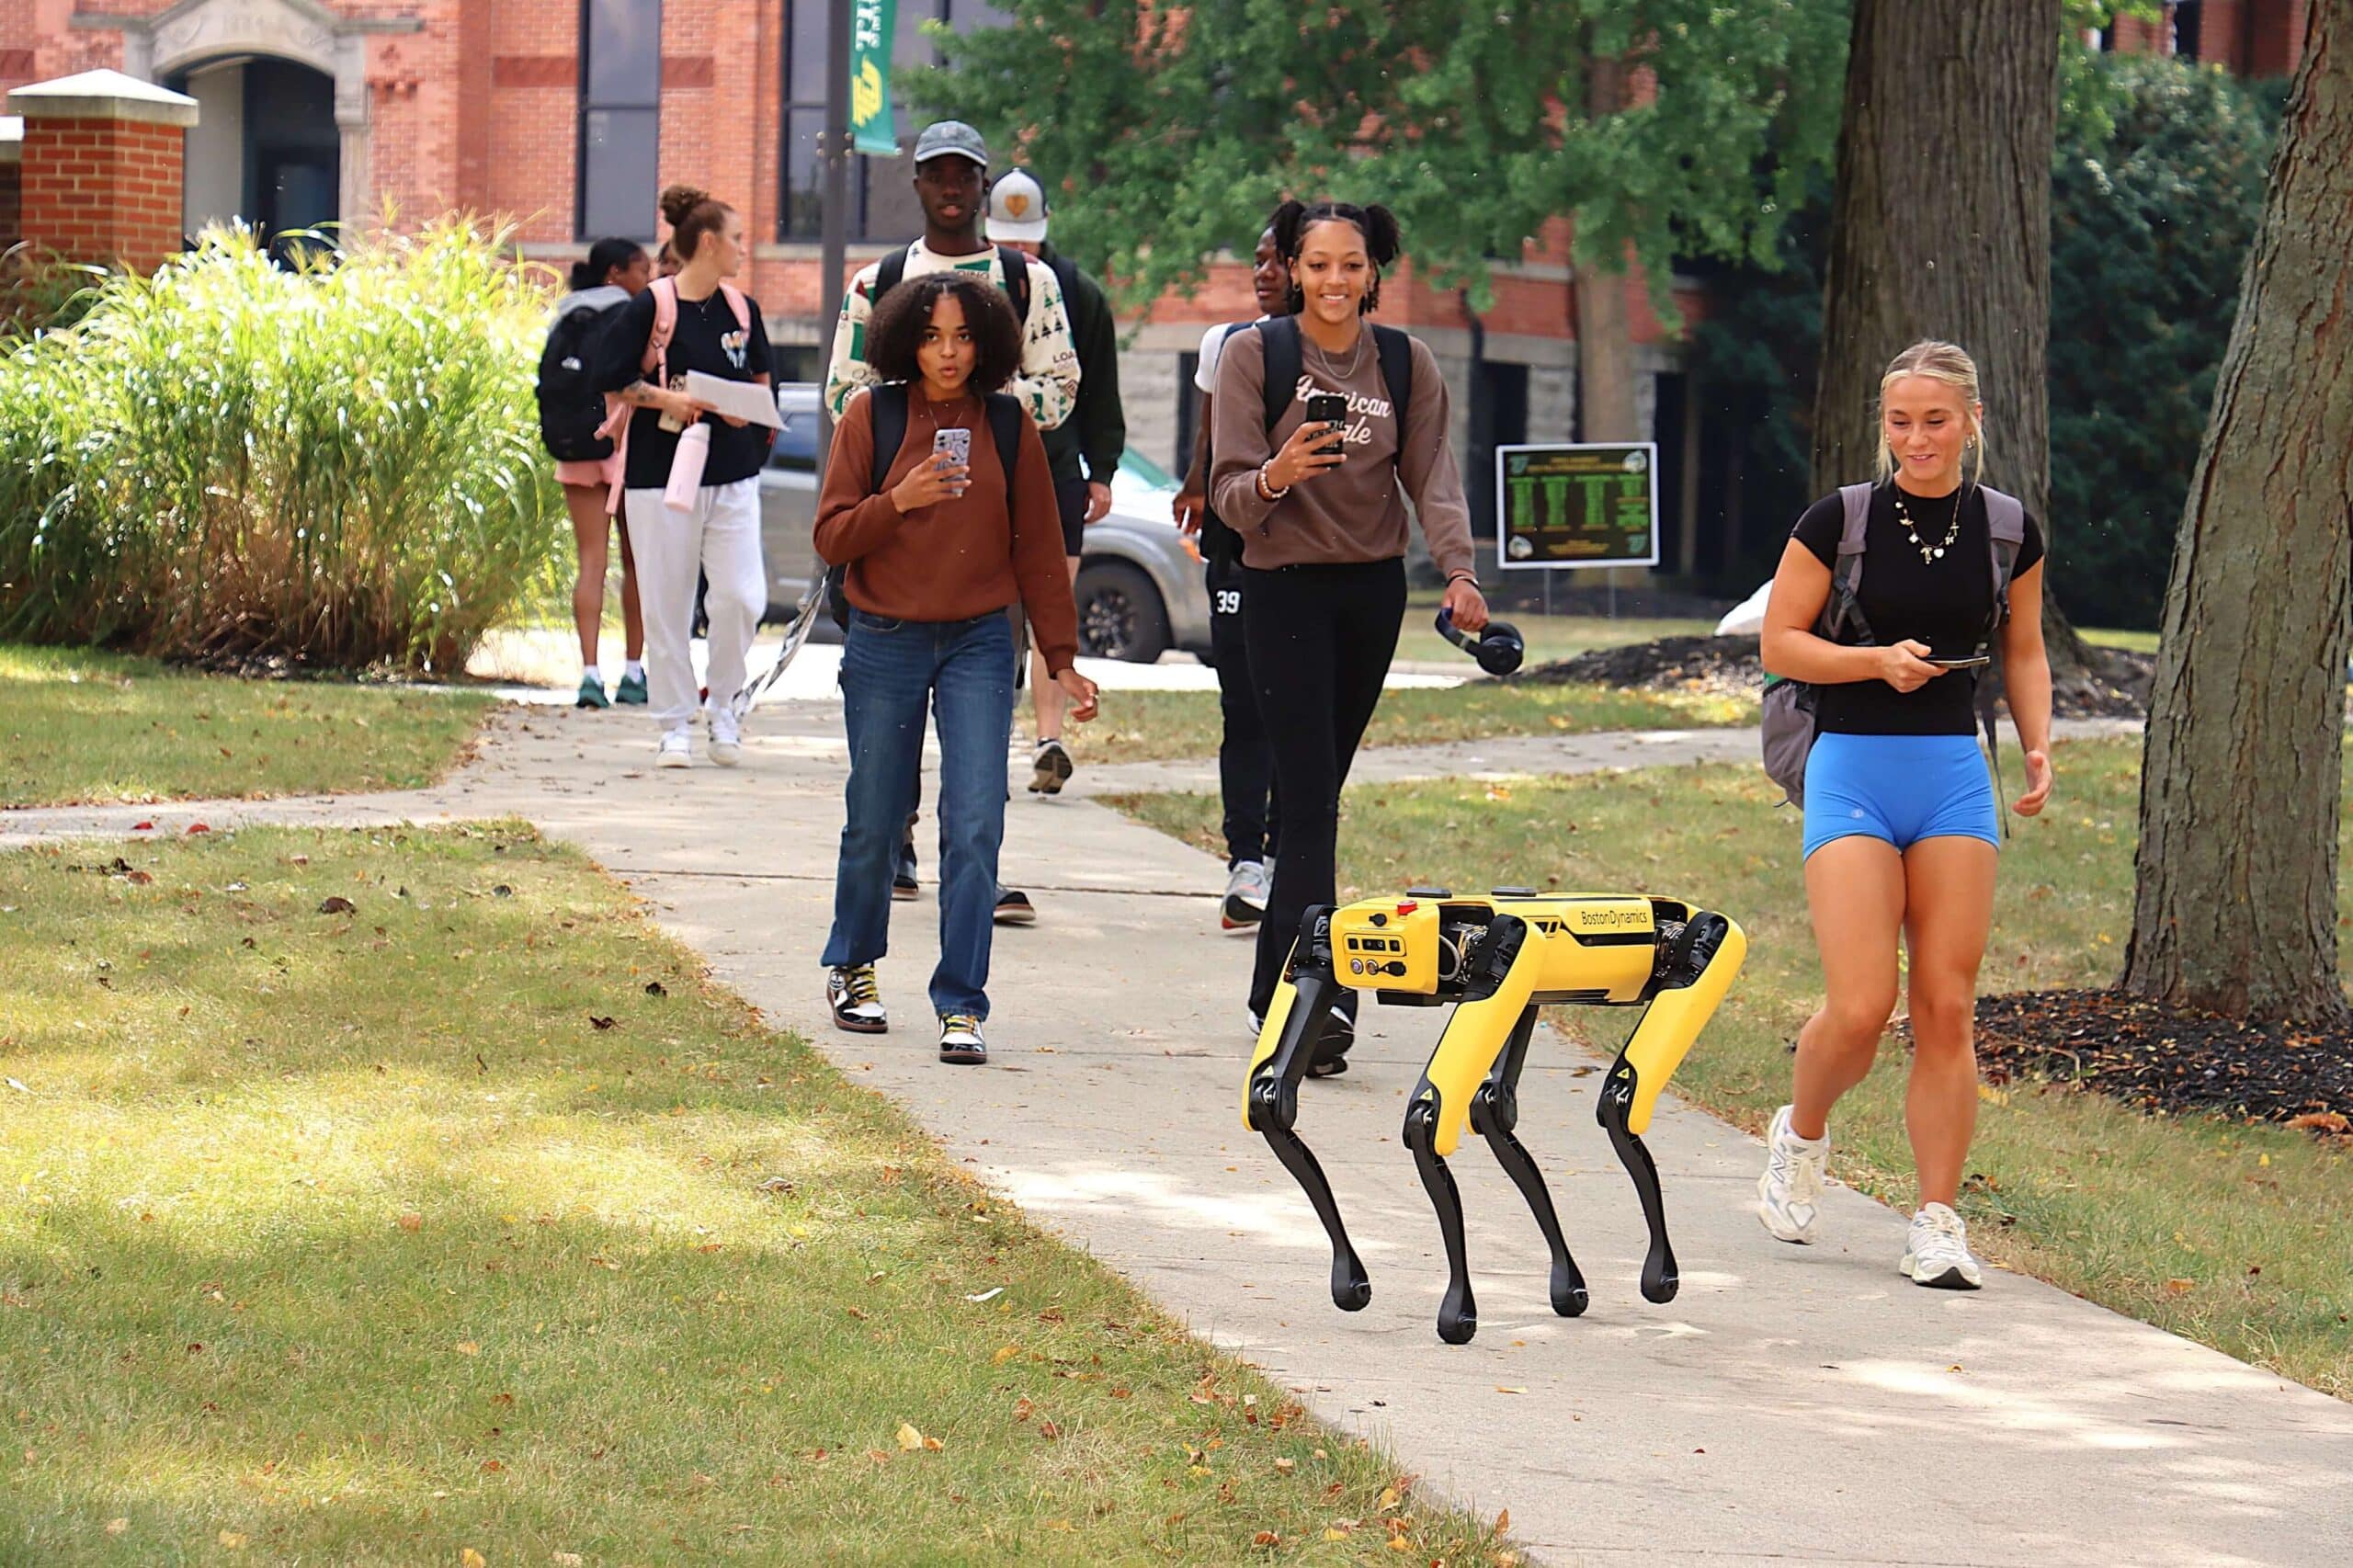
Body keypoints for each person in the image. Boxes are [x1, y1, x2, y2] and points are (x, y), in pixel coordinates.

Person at [1754, 338, 2052, 1291]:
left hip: (1952, 773)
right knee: (1859, 1004)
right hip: (1850, 765)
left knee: (1947, 1005)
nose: (1916, 439)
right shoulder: (1837, 518)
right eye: (1899, 421)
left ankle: (1936, 1220)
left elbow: (2025, 649)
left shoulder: (2006, 527)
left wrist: (2039, 743)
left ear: (1970, 421)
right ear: (1882, 425)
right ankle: (1800, 1135)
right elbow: (1782, 640)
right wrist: (1873, 661)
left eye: (1934, 420)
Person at [1209, 199, 1487, 1069]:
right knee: (1312, 803)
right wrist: (1278, 473)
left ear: (1375, 273)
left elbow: (1433, 476)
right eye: (1318, 263)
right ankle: (1312, 1008)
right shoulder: (1254, 354)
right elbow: (1227, 494)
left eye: (1351, 265)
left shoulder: (1405, 362)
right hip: (1280, 590)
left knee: (1309, 801)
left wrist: (1460, 570)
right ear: (1292, 267)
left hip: (1369, 597)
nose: (1335, 280)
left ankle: (1279, 995)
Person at [815, 274, 1098, 1064]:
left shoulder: (1009, 425)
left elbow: (1040, 551)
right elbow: (833, 537)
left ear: (991, 345)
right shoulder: (874, 415)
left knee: (975, 820)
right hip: (886, 635)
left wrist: (1062, 660)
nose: (949, 353)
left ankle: (961, 1002)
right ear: (907, 339)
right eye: (934, 336)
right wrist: (898, 499)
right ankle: (854, 966)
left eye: (965, 337)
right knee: (876, 812)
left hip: (979, 640)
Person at [824, 120, 1081, 924]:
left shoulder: (1026, 279)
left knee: (978, 737)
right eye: (935, 173)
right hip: (894, 533)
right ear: (918, 183)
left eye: (963, 175)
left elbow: (1061, 384)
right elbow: (841, 393)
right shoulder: (878, 280)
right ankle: (894, 843)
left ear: (980, 185)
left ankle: (976, 873)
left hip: (989, 526)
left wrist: (984, 413)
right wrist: (911, 431)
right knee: (883, 739)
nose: (950, 188)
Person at [592, 185, 773, 768]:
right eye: (738, 240)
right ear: (709, 243)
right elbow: (612, 378)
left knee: (743, 597)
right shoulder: (652, 305)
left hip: (734, 472)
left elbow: (762, 381)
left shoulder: (743, 311)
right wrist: (665, 401)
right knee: (667, 601)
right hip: (659, 476)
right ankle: (674, 724)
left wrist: (748, 406)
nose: (744, 251)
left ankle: (725, 706)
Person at [984, 167, 1126, 796]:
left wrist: (1103, 471)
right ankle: (987, 738)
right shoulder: (966, 283)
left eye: (1029, 241)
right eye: (1008, 240)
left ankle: (1049, 739)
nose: (1020, 253)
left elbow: (1100, 389)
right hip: (984, 473)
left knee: (1051, 605)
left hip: (1056, 470)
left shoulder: (1077, 292)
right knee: (994, 612)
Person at [1175, 221, 1290, 930]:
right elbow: (1210, 431)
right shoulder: (1226, 342)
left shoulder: (1339, 356)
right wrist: (1193, 490)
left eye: (1279, 260)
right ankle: (1246, 859)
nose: (1264, 272)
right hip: (1236, 542)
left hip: (1310, 550)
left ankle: (1288, 853)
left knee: (1294, 709)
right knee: (1243, 706)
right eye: (1259, 261)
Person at [547, 238, 654, 709]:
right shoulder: (633, 315)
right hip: (627, 447)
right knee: (638, 564)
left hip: (576, 448)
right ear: (616, 273)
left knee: (591, 562)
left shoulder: (567, 314)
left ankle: (589, 675)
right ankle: (633, 672)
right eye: (642, 269)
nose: (648, 279)